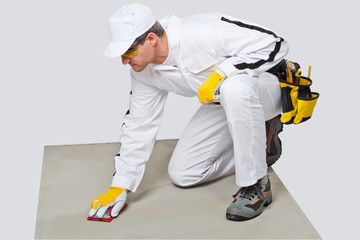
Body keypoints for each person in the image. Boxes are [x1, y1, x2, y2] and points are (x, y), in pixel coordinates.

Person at [89, 3, 288, 221]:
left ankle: (256, 184)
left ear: (151, 39)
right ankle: (263, 145)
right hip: (221, 103)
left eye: (128, 51)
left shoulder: (201, 32)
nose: (124, 61)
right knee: (183, 174)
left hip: (264, 88)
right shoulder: (144, 72)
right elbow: (139, 124)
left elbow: (275, 44)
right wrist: (120, 185)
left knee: (234, 88)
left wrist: (223, 73)